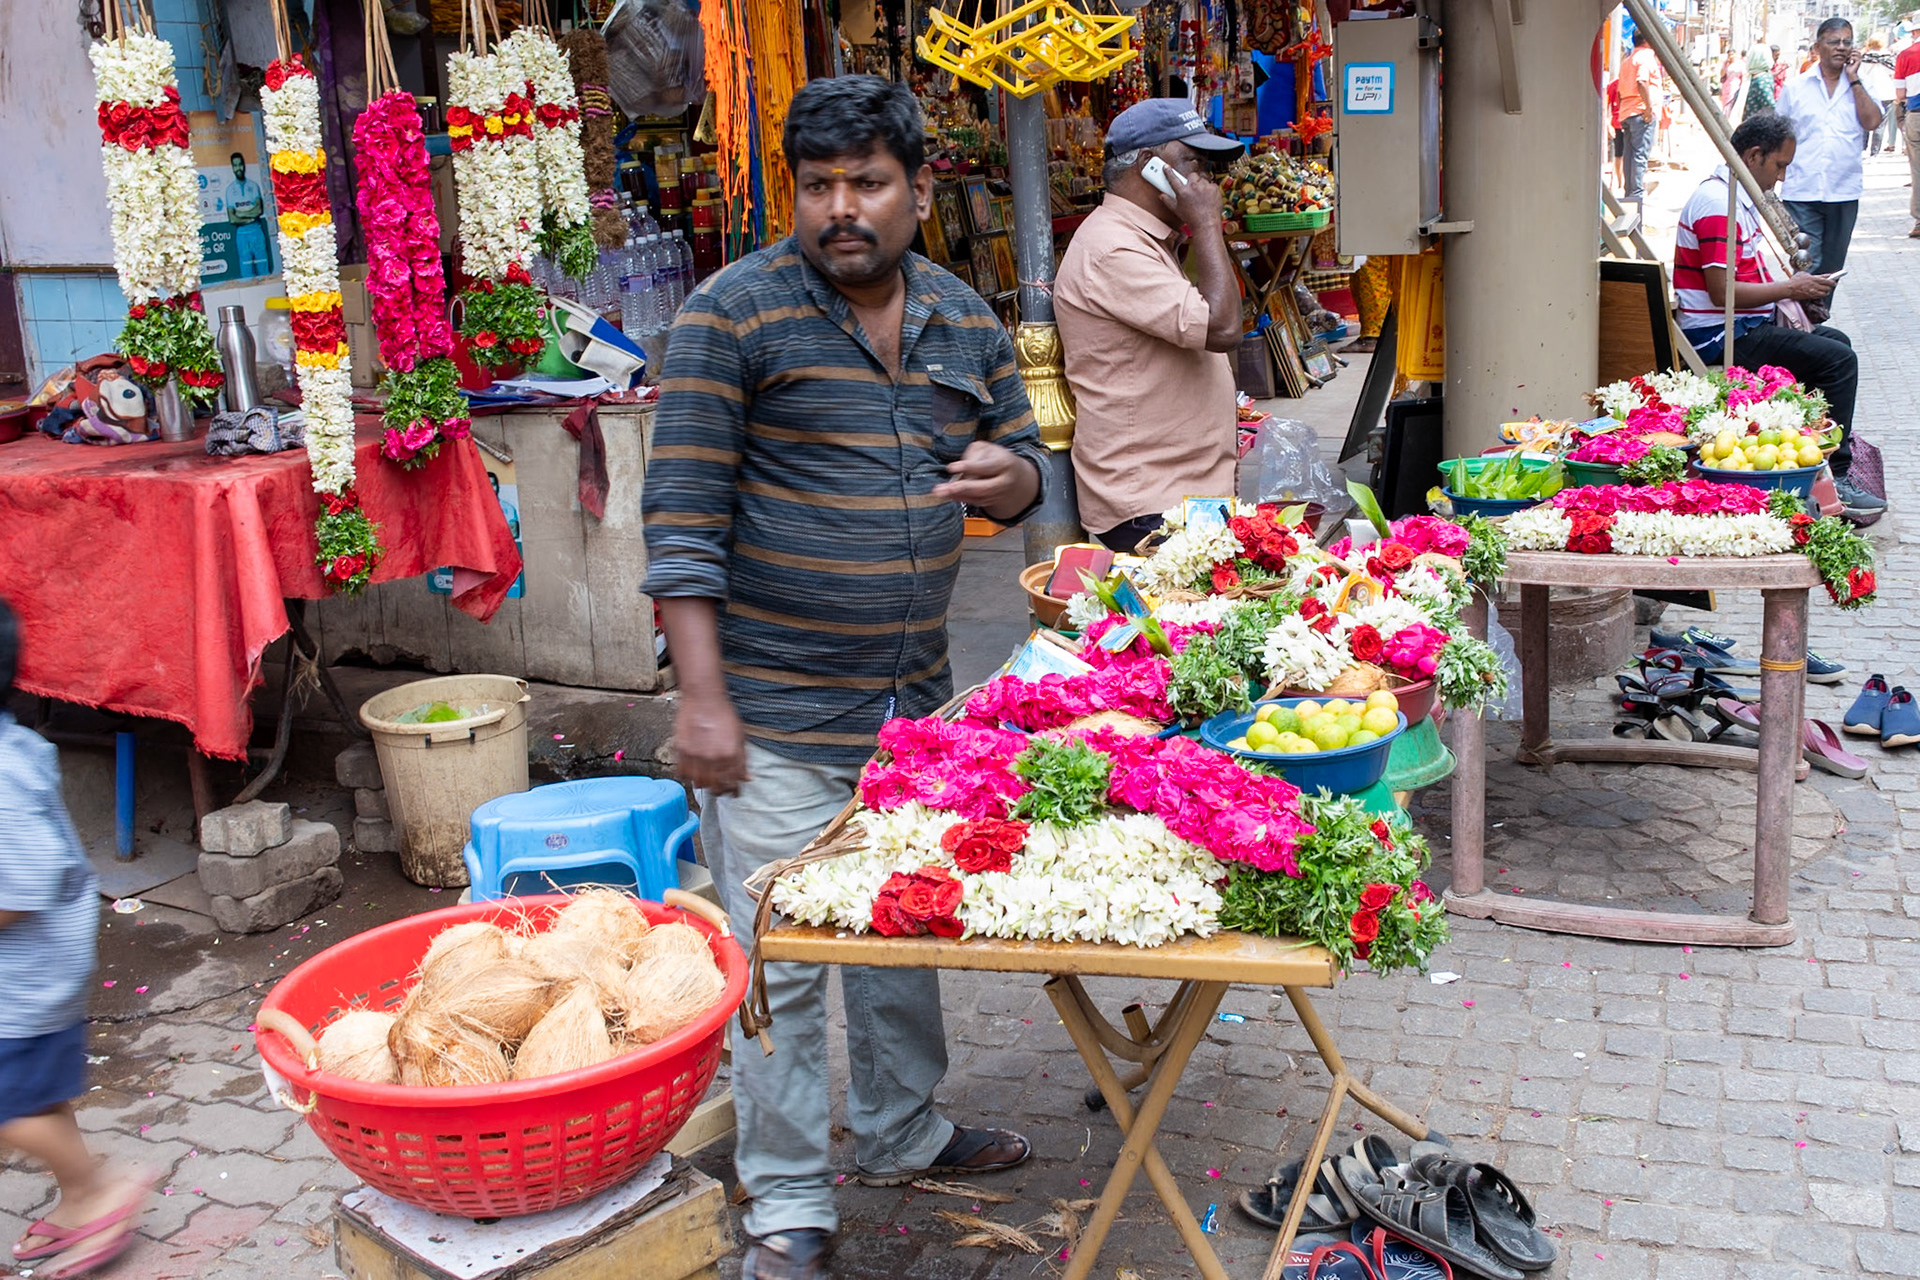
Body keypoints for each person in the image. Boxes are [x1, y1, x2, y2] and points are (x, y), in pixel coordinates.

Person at [640, 76, 1047, 1280]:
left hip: (914, 709)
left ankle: (902, 1126)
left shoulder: (965, 319)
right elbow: (680, 520)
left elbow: (1028, 462)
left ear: (921, 189)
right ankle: (787, 1206)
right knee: (785, 965)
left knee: (903, 928)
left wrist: (1009, 479)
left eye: (867, 182)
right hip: (769, 711)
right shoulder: (734, 315)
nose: (841, 208)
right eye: (817, 186)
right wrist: (704, 700)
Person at [0, 597, 155, 1280]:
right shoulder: (16, 747)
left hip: (22, 985)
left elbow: (21, 885)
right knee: (35, 1099)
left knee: (12, 1108)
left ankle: (99, 1188)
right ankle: (76, 1196)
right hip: (36, 982)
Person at [1053, 99, 1244, 552]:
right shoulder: (1114, 248)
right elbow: (1223, 328)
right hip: (1152, 502)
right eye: (1193, 163)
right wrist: (1207, 223)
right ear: (1150, 167)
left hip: (1176, 491)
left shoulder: (1141, 238)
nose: (1205, 180)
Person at [1673, 113, 1885, 519]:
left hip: (1742, 323)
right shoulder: (1719, 203)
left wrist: (1796, 291)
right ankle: (1835, 474)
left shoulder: (1736, 198)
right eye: (1780, 165)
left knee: (1835, 344)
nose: (1783, 178)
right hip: (1722, 332)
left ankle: (1807, 449)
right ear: (1754, 156)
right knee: (1838, 360)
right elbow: (1723, 293)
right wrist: (1791, 289)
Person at [1776, 17, 1884, 283]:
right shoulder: (1796, 88)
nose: (1841, 47)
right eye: (1833, 41)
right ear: (1817, 47)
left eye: (1847, 42)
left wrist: (1854, 79)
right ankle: (1799, 323)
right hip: (1802, 191)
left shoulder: (1861, 84)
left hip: (1843, 191)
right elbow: (1778, 136)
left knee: (1832, 269)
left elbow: (1871, 121)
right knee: (1809, 264)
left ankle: (1816, 322)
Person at [1617, 27, 1664, 201]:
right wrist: (1648, 108)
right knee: (1639, 155)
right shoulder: (1646, 57)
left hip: (1628, 111)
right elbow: (1642, 80)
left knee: (1630, 154)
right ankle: (1636, 195)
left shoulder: (1628, 60)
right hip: (1641, 112)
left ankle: (1630, 193)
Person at [222, 153, 271, 278]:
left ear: (244, 165)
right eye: (235, 165)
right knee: (247, 273)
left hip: (256, 231)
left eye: (240, 165)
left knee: (263, 269)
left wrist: (240, 213)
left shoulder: (253, 186)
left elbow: (259, 210)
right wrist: (250, 216)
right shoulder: (230, 190)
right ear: (232, 168)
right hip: (242, 234)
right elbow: (232, 218)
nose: (238, 168)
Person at [1896, 27, 1920, 234]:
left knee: (1918, 170)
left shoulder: (1905, 55)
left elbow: (1900, 93)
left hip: (1916, 115)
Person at [1862, 38, 1898, 155]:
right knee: (1881, 124)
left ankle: (1862, 148)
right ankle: (1874, 152)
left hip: (1868, 93)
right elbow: (1894, 76)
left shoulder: (1864, 58)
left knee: (1865, 122)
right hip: (1886, 93)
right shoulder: (1889, 59)